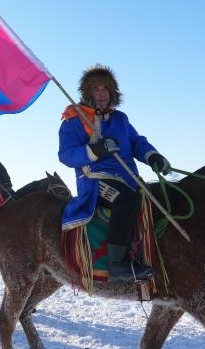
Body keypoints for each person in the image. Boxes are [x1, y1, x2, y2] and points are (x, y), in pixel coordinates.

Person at [58, 64, 171, 282]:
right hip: (94, 178)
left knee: (159, 197)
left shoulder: (121, 119)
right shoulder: (75, 120)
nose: (101, 95)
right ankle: (118, 264)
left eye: (105, 90)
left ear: (112, 94)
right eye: (96, 90)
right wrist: (94, 150)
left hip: (128, 178)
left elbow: (137, 142)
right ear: (88, 94)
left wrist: (153, 156)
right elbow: (66, 154)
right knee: (127, 200)